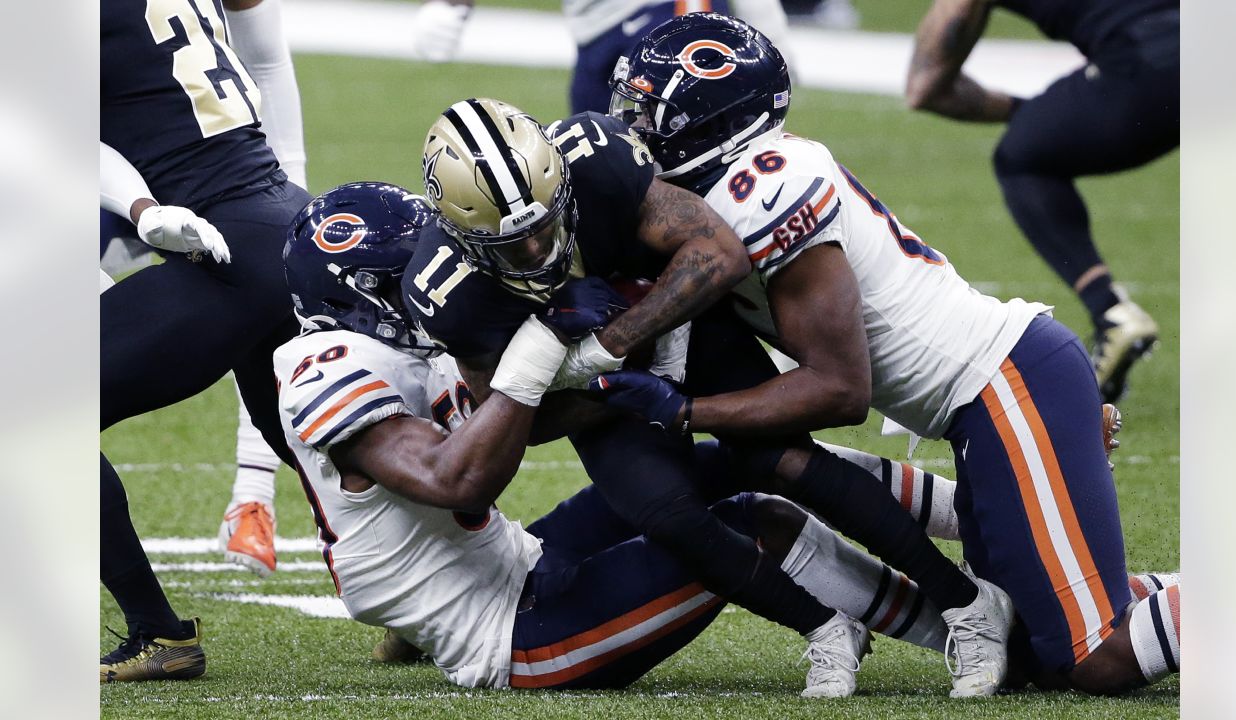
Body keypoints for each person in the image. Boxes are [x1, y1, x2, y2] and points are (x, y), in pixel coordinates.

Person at [595, 12, 1181, 694]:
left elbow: (838, 390)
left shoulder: (765, 190)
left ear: (712, 125)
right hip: (985, 407)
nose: (632, 132)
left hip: (1008, 382)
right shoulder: (712, 197)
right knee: (1032, 648)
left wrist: (688, 411)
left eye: (647, 116)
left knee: (1096, 657)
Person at [408, 96, 1014, 697]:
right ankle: (826, 630)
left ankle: (967, 604)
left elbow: (717, 252)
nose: (539, 251)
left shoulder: (594, 160)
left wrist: (609, 344)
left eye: (545, 226)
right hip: (603, 396)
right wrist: (567, 359)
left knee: (780, 461)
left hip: (681, 323)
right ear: (462, 238)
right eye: (514, 246)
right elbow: (522, 421)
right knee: (668, 517)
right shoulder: (447, 289)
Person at [279, 181, 952, 690]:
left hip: (515, 561)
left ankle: (963, 513)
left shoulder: (414, 355)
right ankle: (962, 631)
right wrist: (542, 347)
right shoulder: (328, 365)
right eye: (414, 274)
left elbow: (513, 427)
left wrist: (645, 373)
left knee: (749, 458)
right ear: (361, 293)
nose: (438, 282)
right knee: (757, 523)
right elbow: (459, 478)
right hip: (513, 636)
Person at [100, 0, 312, 682]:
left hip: (222, 245)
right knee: (317, 446)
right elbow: (267, 57)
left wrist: (140, 208)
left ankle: (157, 631)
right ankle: (436, 605)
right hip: (277, 217)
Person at [903, 0, 1179, 403]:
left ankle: (1111, 312)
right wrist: (1044, 117)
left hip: (1150, 60)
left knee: (1021, 158)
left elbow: (924, 87)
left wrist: (1029, 116)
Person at [214, 0, 313, 577]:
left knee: (265, 277)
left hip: (191, 154)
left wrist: (286, 184)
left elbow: (264, 55)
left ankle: (252, 496)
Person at [404, 0, 793, 116]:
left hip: (663, 14)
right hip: (592, 33)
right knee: (601, 180)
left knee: (681, 161)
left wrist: (765, 24)